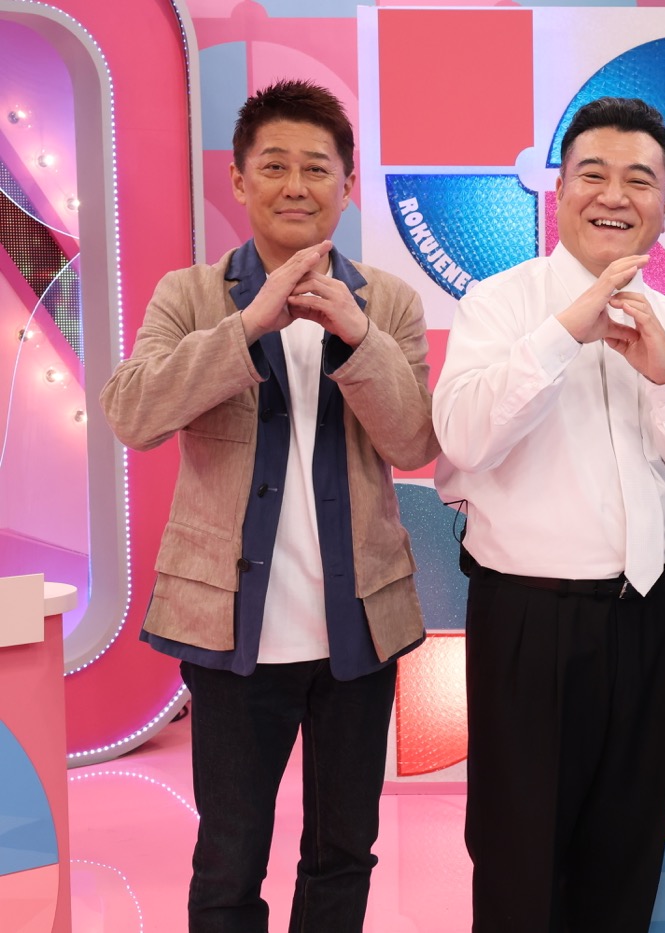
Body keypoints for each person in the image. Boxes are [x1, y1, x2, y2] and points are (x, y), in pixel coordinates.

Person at [99, 79, 437, 933]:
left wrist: (358, 336)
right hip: (229, 629)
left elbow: (413, 442)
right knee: (229, 854)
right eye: (274, 165)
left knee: (344, 851)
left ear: (348, 185)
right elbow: (132, 413)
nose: (296, 184)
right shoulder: (190, 294)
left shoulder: (389, 300)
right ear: (239, 180)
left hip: (358, 628)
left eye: (317, 167)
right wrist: (247, 324)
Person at [432, 96, 665, 932]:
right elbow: (462, 436)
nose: (615, 196)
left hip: (647, 618)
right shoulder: (499, 304)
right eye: (593, 174)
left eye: (640, 179)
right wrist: (565, 332)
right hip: (529, 619)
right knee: (519, 864)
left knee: (625, 859)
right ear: (558, 190)